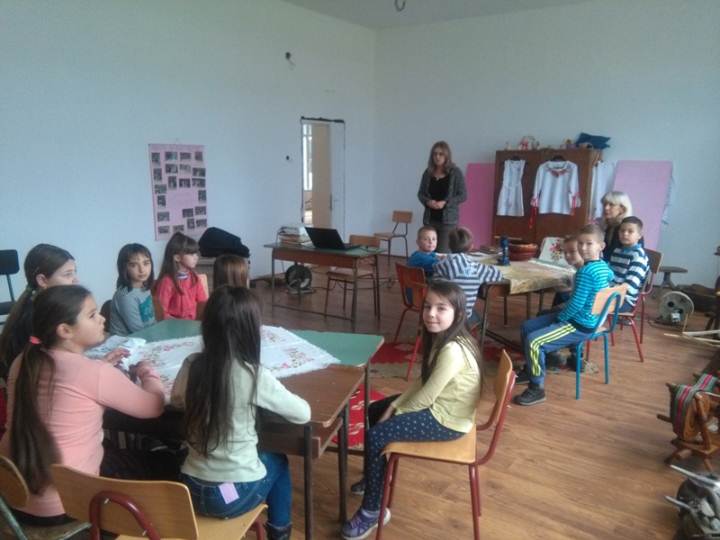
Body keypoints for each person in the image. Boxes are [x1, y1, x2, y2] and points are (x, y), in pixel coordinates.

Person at [0, 285, 168, 525]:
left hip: (13, 499)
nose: (102, 319)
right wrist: (147, 371)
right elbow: (154, 406)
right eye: (92, 315)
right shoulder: (92, 372)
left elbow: (66, 382)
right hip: (67, 505)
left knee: (111, 450)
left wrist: (101, 367)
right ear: (65, 330)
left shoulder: (23, 360)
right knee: (162, 462)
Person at [342, 281, 481, 539]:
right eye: (427, 306)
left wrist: (397, 411)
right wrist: (394, 405)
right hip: (442, 406)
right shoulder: (445, 338)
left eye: (441, 308)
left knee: (376, 435)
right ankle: (377, 477)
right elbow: (425, 381)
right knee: (375, 410)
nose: (431, 314)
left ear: (459, 313)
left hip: (447, 420)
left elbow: (427, 397)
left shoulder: (452, 350)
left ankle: (372, 510)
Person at [171, 286, 310, 540]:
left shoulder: (191, 364)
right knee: (279, 460)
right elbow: (303, 413)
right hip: (230, 496)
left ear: (207, 327)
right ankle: (279, 534)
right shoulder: (252, 375)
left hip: (190, 489)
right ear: (250, 331)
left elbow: (176, 400)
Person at [514, 224, 614, 406]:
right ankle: (531, 369)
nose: (583, 248)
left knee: (534, 341)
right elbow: (609, 279)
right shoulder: (603, 267)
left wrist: (559, 319)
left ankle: (536, 388)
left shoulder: (585, 272)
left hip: (579, 324)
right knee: (527, 326)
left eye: (589, 244)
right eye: (581, 243)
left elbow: (575, 305)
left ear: (601, 246)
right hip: (587, 318)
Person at [0, 244, 78, 377]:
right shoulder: (39, 318)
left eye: (75, 272)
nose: (75, 280)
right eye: (68, 274)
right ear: (42, 280)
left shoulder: (40, 306)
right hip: (32, 384)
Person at [432, 227, 502, 323]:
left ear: (449, 245)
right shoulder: (476, 268)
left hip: (440, 314)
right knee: (481, 321)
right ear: (470, 247)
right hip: (462, 317)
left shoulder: (439, 266)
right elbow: (498, 275)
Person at [417, 141, 467, 253]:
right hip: (429, 220)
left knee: (442, 254)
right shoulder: (428, 173)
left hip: (447, 223)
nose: (437, 157)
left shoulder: (455, 172)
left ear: (447, 155)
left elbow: (463, 195)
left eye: (441, 154)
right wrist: (428, 202)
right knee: (427, 252)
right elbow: (420, 194)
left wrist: (445, 203)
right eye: (435, 154)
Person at [154, 232, 208, 320]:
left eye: (196, 253)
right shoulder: (167, 281)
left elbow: (202, 302)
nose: (196, 257)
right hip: (174, 325)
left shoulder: (194, 277)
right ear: (177, 258)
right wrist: (178, 323)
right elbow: (161, 312)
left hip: (193, 323)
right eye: (191, 254)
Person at [109, 243, 156, 335]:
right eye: (134, 265)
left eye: (146, 263)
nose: (142, 270)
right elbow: (137, 330)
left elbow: (151, 319)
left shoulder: (145, 287)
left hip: (146, 335)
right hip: (126, 341)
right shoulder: (126, 296)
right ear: (124, 268)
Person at [609, 216, 649, 313]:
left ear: (639, 235)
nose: (625, 234)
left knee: (589, 303)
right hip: (611, 292)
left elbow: (629, 285)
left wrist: (606, 292)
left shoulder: (638, 257)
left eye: (630, 231)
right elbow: (609, 274)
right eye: (622, 231)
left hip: (625, 299)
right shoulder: (617, 251)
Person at [598, 190, 634, 261]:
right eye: (605, 204)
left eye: (611, 204)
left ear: (622, 209)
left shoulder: (629, 230)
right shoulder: (608, 226)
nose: (606, 208)